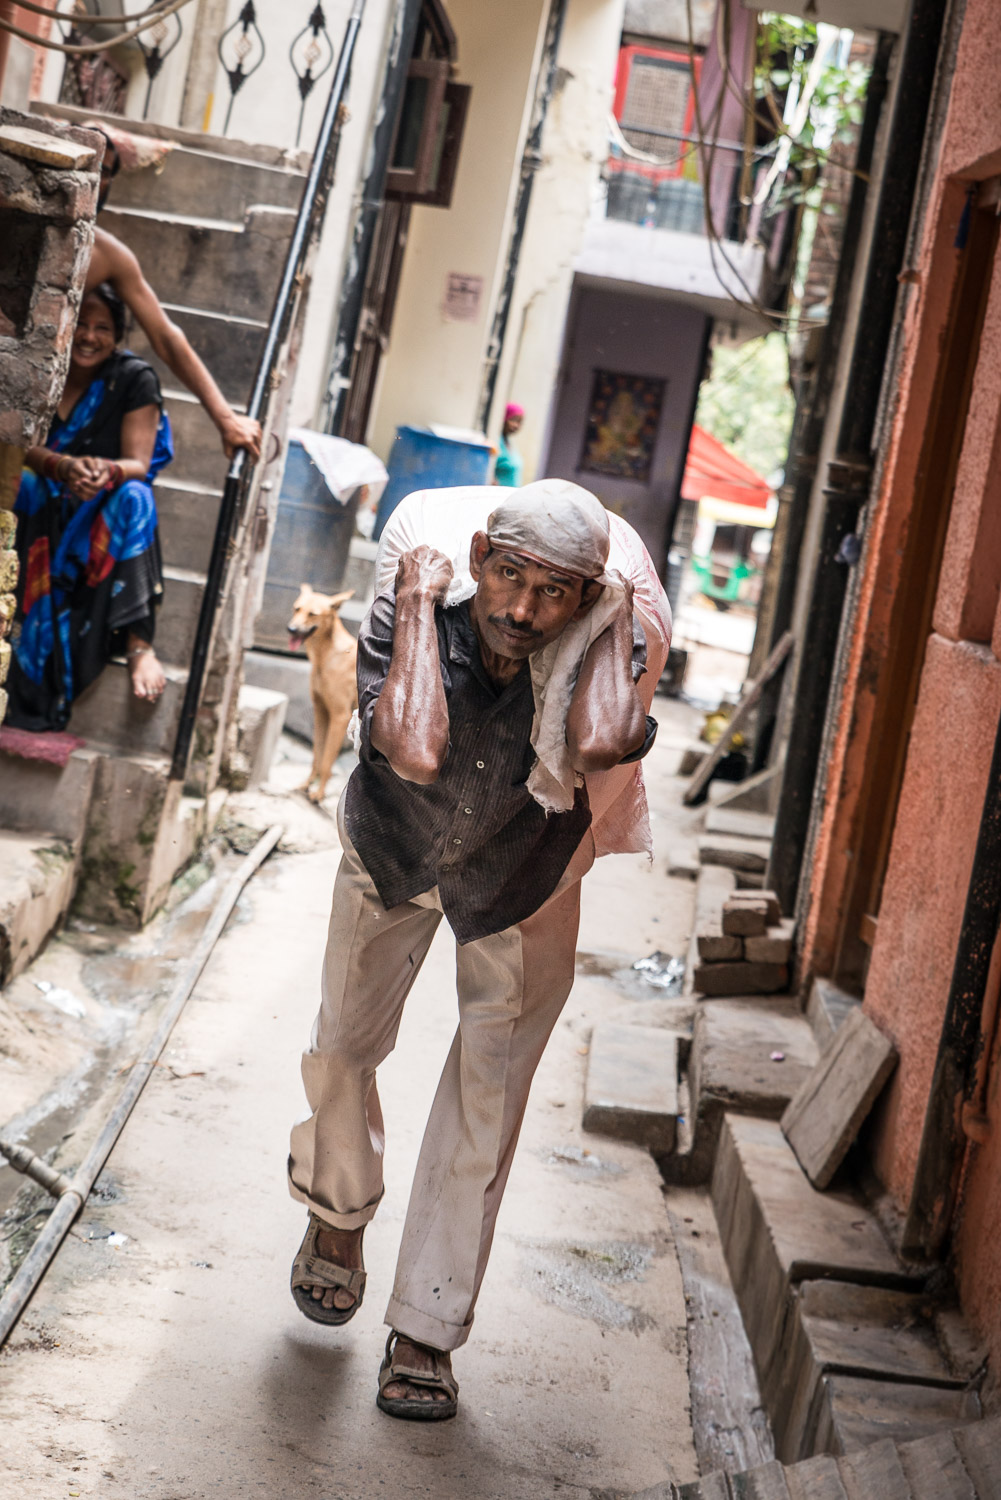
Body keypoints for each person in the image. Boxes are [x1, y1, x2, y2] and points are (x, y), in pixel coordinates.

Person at [287, 478, 670, 1422]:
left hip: (527, 861)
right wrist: (420, 604)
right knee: (341, 1043)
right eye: (507, 578)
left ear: (589, 596)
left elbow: (599, 742)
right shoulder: (416, 559)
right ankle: (337, 1216)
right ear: (478, 557)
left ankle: (425, 1320)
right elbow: (412, 750)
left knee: (488, 1090)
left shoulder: (631, 615)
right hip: (396, 832)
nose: (521, 610)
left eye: (553, 595)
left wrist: (610, 620)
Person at [7, 283, 172, 731]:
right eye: (80, 323)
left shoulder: (132, 379)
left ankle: (139, 645)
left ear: (117, 337)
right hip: (38, 508)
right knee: (22, 483)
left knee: (135, 499)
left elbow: (138, 463)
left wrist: (102, 473)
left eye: (103, 328)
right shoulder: (37, 367)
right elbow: (13, 445)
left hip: (94, 518)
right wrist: (60, 466)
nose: (89, 336)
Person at [85, 125, 261, 463]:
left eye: (104, 172)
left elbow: (165, 336)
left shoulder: (108, 255)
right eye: (87, 164)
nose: (93, 179)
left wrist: (225, 418)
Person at [493, 401, 524, 487]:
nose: (516, 425)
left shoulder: (509, 443)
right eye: (513, 420)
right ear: (504, 418)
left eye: (520, 422)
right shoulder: (496, 441)